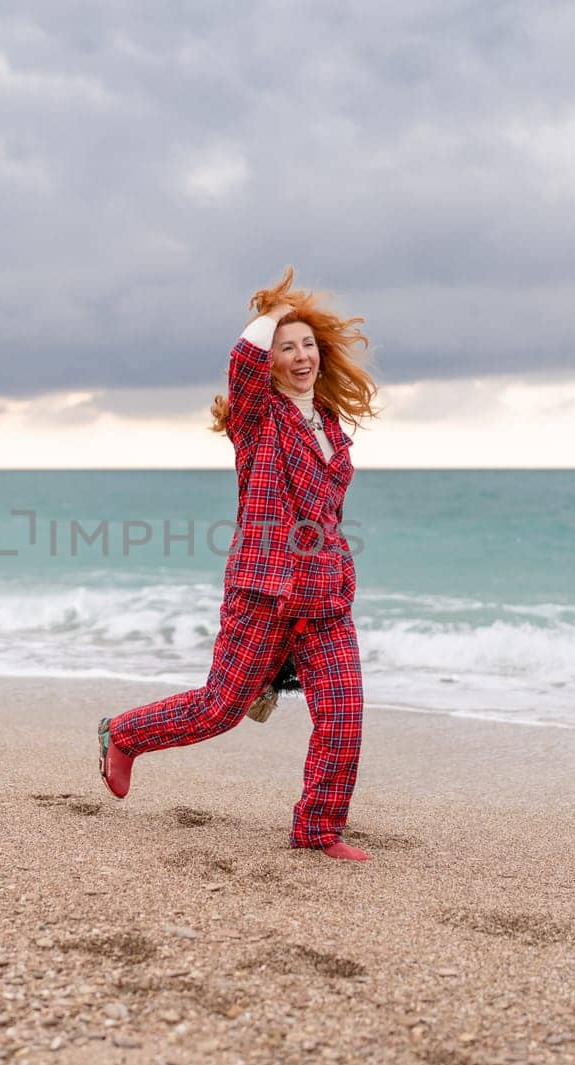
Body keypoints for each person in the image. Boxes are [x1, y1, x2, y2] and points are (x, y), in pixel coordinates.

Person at [97, 266, 379, 861]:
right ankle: (123, 735)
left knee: (345, 712)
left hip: (324, 594)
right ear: (270, 359)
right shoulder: (257, 419)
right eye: (286, 347)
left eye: (307, 345)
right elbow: (242, 363)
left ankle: (318, 828)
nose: (300, 356)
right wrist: (276, 312)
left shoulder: (331, 428)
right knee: (219, 710)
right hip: (264, 589)